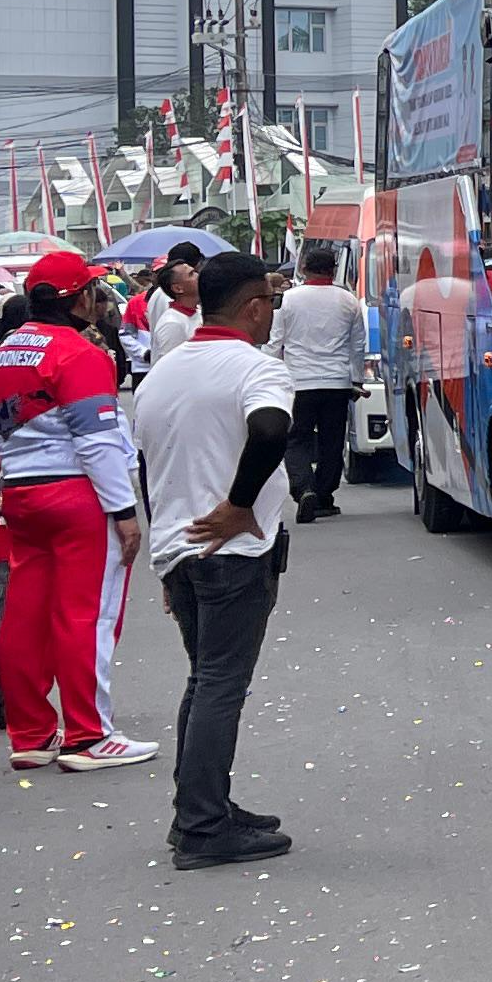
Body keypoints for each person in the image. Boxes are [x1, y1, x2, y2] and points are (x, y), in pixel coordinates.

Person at [140, 252, 299, 868]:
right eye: (270, 303)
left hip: (181, 549)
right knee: (220, 685)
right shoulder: (256, 368)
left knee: (203, 680)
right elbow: (270, 430)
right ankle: (204, 826)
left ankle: (201, 807)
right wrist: (239, 505)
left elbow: (150, 466)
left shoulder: (162, 374)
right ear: (254, 306)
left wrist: (167, 548)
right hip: (233, 550)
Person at [0, 250, 153, 771]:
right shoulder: (80, 353)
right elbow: (98, 441)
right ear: (80, 299)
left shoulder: (2, 354)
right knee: (88, 615)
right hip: (77, 495)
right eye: (94, 291)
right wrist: (124, 511)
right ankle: (88, 735)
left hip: (21, 492)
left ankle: (31, 735)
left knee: (25, 616)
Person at [272, 242, 367, 523]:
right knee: (332, 441)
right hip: (336, 383)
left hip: (298, 382)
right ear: (333, 270)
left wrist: (271, 376)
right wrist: (356, 379)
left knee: (296, 439)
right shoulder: (348, 301)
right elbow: (357, 345)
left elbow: (275, 342)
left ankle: (303, 489)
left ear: (303, 268)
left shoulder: (288, 300)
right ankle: (324, 496)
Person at [126, 249, 204, 381]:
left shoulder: (197, 313)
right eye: (191, 274)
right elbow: (172, 371)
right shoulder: (173, 323)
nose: (197, 276)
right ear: (178, 288)